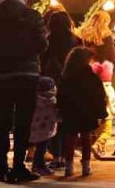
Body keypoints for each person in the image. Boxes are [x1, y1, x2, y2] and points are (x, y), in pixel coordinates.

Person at [0, 0, 48, 184]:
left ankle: (1, 168)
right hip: (27, 74)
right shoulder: (32, 16)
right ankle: (19, 166)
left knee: (2, 124)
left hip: (3, 74)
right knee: (23, 123)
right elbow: (42, 44)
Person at [56, 48, 108, 178]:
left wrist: (60, 110)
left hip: (70, 111)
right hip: (87, 111)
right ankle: (86, 166)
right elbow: (99, 94)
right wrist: (100, 112)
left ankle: (69, 166)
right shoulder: (91, 76)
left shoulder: (66, 76)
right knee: (86, 138)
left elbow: (60, 95)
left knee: (70, 138)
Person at [38, 9, 79, 169]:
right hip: (71, 83)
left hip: (51, 84)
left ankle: (57, 156)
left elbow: (41, 61)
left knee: (52, 120)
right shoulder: (76, 40)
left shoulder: (47, 41)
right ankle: (67, 155)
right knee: (68, 120)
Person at [28, 77, 58, 176]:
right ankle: (39, 167)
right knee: (41, 150)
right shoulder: (52, 101)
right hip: (46, 129)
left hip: (35, 128)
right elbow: (56, 115)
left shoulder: (35, 99)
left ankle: (37, 166)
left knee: (39, 149)